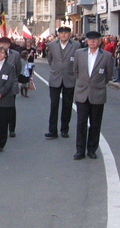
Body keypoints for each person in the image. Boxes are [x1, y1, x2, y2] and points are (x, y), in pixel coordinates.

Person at [73, 31, 114, 160]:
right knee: (81, 123)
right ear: (86, 41)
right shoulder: (79, 53)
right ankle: (80, 150)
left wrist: (98, 84)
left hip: (98, 93)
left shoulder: (106, 56)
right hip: (82, 92)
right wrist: (84, 82)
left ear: (100, 41)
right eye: (90, 39)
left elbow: (108, 74)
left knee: (95, 123)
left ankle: (92, 149)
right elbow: (76, 71)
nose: (92, 42)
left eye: (95, 39)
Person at [45, 26, 79, 139]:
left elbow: (77, 62)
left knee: (67, 105)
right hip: (55, 78)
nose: (64, 35)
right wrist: (56, 69)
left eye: (66, 33)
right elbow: (50, 60)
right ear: (58, 34)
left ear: (70, 34)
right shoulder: (52, 45)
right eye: (62, 33)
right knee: (54, 105)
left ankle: (64, 129)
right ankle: (52, 130)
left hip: (69, 78)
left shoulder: (76, 45)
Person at [0, 36, 21, 137]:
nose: (4, 46)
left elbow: (18, 68)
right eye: (2, 44)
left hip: (11, 85)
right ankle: (1, 127)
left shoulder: (15, 54)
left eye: (6, 44)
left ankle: (11, 128)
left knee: (11, 107)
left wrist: (14, 80)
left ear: (9, 45)